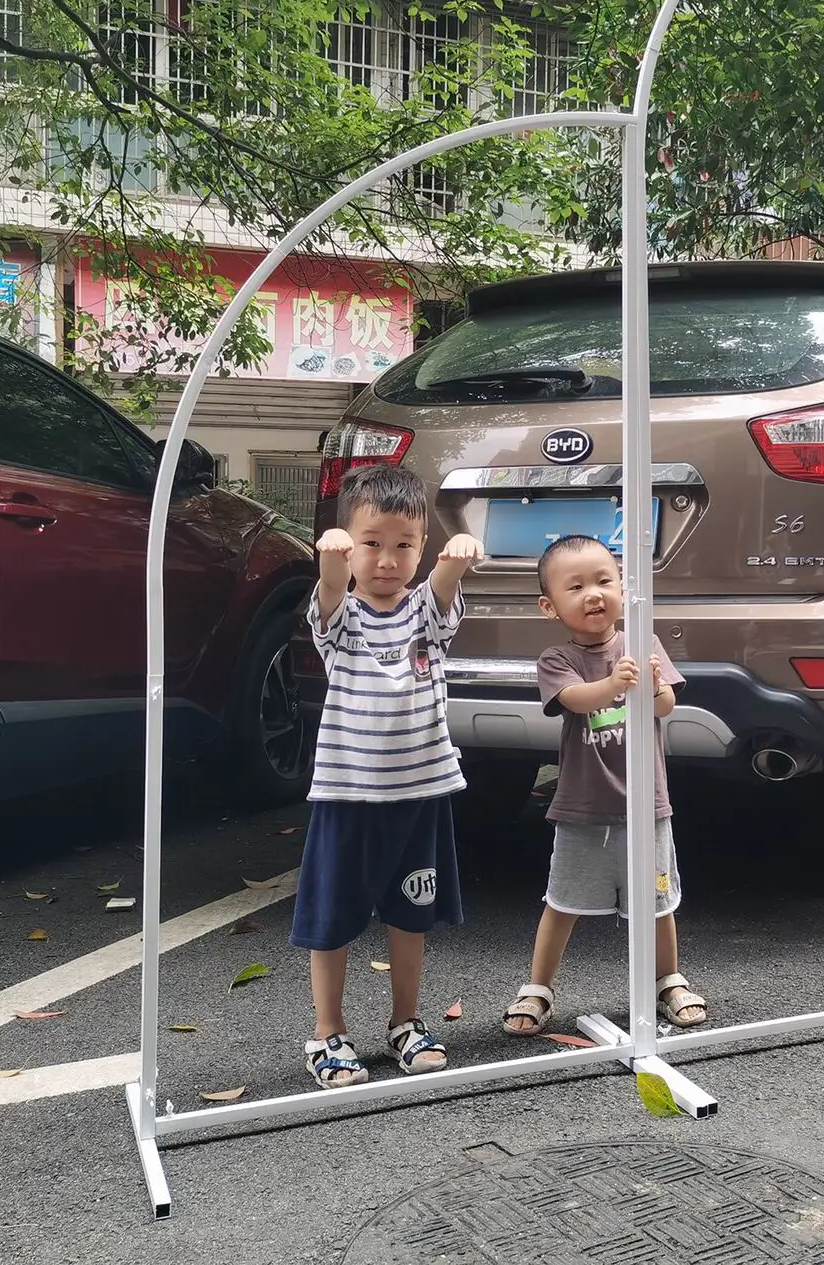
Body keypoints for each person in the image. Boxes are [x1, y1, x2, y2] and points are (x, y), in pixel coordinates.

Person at [290, 463, 481, 1089]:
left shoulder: (425, 612)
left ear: (421, 547)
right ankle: (328, 1031)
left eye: (405, 545)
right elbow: (328, 592)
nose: (387, 559)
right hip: (348, 793)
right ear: (349, 543)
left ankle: (406, 1021)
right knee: (332, 916)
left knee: (411, 912)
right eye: (370, 543)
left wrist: (456, 554)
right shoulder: (341, 616)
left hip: (420, 792)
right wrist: (332, 558)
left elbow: (444, 588)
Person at [501, 534, 707, 1036]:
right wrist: (614, 685)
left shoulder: (643, 642)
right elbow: (575, 699)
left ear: (623, 589)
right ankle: (538, 987)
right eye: (576, 587)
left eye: (603, 581)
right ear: (550, 606)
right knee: (562, 901)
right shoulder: (557, 659)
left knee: (657, 902)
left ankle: (668, 979)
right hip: (583, 807)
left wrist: (654, 685)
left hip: (647, 804)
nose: (593, 594)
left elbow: (665, 706)